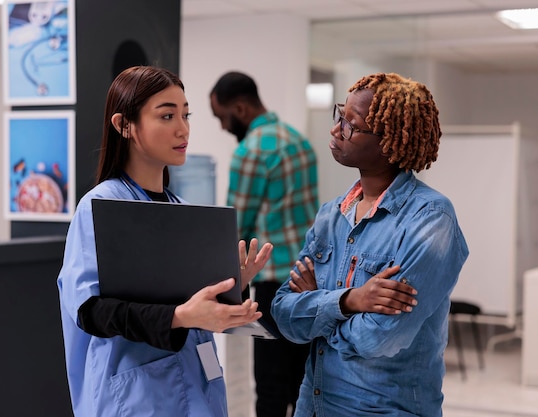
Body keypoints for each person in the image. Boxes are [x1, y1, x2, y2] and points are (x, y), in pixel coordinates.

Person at [57, 65, 273, 417]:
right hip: (140, 397)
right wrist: (181, 315)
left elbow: (186, 301)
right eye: (167, 115)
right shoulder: (99, 207)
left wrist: (230, 288)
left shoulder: (183, 211)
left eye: (186, 115)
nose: (183, 129)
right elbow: (91, 311)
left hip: (200, 389)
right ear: (123, 125)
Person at [271, 72, 469, 417]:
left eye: (352, 124)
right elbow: (285, 315)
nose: (336, 130)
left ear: (389, 141)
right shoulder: (331, 214)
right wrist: (351, 301)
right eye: (339, 116)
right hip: (313, 405)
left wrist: (316, 306)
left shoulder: (431, 219)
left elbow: (378, 338)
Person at [210, 71, 319, 417]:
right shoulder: (299, 140)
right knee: (304, 381)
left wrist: (225, 288)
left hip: (274, 288)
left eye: (222, 117)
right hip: (310, 280)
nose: (223, 127)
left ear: (240, 108)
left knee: (271, 387)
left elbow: (235, 227)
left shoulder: (250, 151)